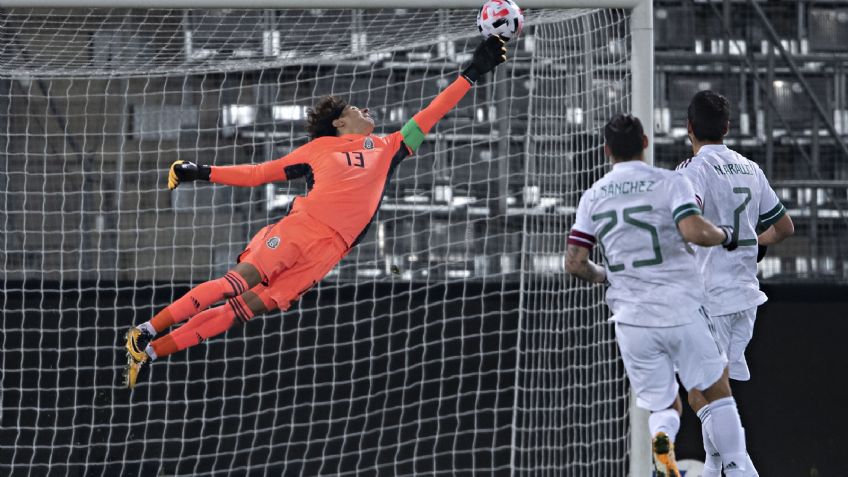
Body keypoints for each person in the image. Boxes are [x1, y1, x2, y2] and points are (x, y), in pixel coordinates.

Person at [122, 36, 508, 389]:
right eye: (355, 109)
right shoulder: (318, 150)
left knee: (237, 312)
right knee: (233, 285)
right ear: (339, 122)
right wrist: (204, 172)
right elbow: (259, 174)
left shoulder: (389, 146)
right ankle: (146, 329)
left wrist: (472, 74)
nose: (365, 109)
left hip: (329, 254)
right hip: (301, 229)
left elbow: (431, 112)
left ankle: (150, 351)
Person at [565, 113, 757, 477]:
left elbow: (574, 263)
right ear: (645, 144)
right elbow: (694, 230)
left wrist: (606, 275)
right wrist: (725, 234)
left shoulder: (593, 196)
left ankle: (663, 448)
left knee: (664, 407)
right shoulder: (669, 183)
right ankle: (738, 471)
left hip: (632, 319)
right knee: (717, 392)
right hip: (681, 308)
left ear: (607, 151)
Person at [676, 90, 795, 477]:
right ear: (727, 127)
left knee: (700, 395)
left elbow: (688, 225)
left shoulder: (694, 169)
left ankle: (742, 469)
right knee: (718, 394)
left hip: (709, 298)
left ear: (689, 127)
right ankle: (715, 469)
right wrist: (753, 244)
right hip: (745, 299)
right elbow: (784, 227)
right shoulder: (750, 168)